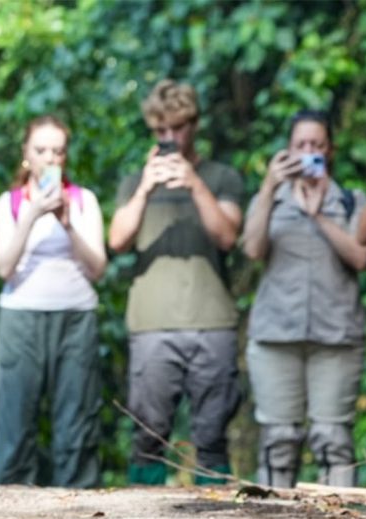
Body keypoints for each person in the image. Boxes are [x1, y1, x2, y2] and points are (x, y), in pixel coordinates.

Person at [107, 80, 245, 486]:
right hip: (152, 323)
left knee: (213, 435)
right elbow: (117, 241)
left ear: (194, 124)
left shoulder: (221, 177)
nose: (169, 138)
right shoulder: (135, 182)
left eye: (178, 128)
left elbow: (227, 236)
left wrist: (194, 183)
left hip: (211, 321)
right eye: (160, 131)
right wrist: (147, 188)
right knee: (147, 434)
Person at [241, 110, 366, 488]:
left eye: (317, 144)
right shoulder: (273, 199)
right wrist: (268, 187)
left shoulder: (351, 200)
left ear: (330, 150)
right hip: (275, 336)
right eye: (301, 145)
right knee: (278, 442)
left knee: (333, 441)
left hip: (336, 338)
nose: (309, 151)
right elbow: (252, 249)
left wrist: (319, 217)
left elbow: (361, 258)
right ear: (288, 150)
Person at [0, 116, 107, 488]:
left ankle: (79, 500)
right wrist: (33, 213)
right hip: (21, 318)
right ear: (26, 154)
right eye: (41, 150)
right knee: (15, 419)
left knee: (77, 419)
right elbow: (5, 268)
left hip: (76, 317)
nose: (49, 158)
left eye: (57, 151)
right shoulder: (9, 203)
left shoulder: (84, 201)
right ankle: (7, 500)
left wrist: (67, 223)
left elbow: (98, 268)